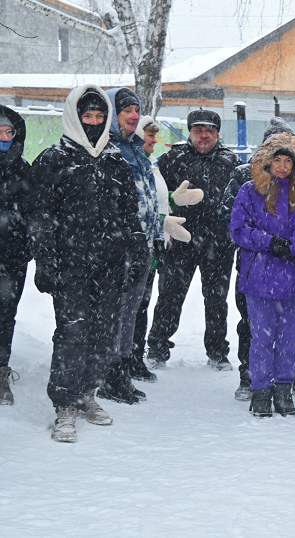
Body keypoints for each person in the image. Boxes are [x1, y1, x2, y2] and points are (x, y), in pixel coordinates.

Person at [26, 84, 147, 442]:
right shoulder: (54, 159)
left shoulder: (115, 161)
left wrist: (137, 253)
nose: (93, 122)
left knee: (102, 333)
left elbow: (129, 215)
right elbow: (40, 216)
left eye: (98, 116)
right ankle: (64, 404)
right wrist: (46, 261)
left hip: (108, 266)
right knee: (72, 335)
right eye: (87, 116)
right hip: (70, 267)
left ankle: (87, 395)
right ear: (75, 118)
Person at [98, 89, 193, 405]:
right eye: (126, 109)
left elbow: (148, 201)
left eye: (137, 109)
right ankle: (109, 375)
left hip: (141, 246)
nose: (134, 115)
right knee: (117, 313)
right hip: (118, 248)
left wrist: (161, 223)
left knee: (129, 313)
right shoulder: (109, 151)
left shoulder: (136, 155)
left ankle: (121, 370)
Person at [221, 117, 295, 401]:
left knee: (290, 340)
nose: (281, 166)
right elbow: (238, 229)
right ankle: (261, 390)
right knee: (261, 339)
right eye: (276, 159)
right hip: (260, 277)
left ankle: (284, 390)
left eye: (287, 161)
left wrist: (292, 245)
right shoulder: (249, 192)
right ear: (266, 161)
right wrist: (268, 242)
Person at [147, 110, 242, 370]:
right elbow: (157, 196)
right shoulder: (173, 159)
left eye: (209, 131)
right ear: (190, 132)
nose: (204, 135)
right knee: (170, 295)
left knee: (216, 300)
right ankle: (157, 346)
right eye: (199, 130)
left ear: (218, 134)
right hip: (180, 240)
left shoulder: (231, 162)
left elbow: (240, 202)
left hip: (218, 244)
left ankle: (217, 352)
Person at [127, 115, 203, 387]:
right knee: (133, 304)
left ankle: (133, 357)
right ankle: (124, 361)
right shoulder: (128, 163)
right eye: (149, 135)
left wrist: (173, 199)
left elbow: (152, 199)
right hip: (135, 245)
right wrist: (161, 221)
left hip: (153, 245)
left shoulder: (150, 164)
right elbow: (132, 208)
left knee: (142, 302)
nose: (154, 140)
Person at [0, 105, 30, 405]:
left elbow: (34, 215)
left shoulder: (23, 170)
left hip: (11, 258)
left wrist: (27, 249)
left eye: (8, 132)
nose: (3, 137)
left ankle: (0, 370)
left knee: (5, 315)